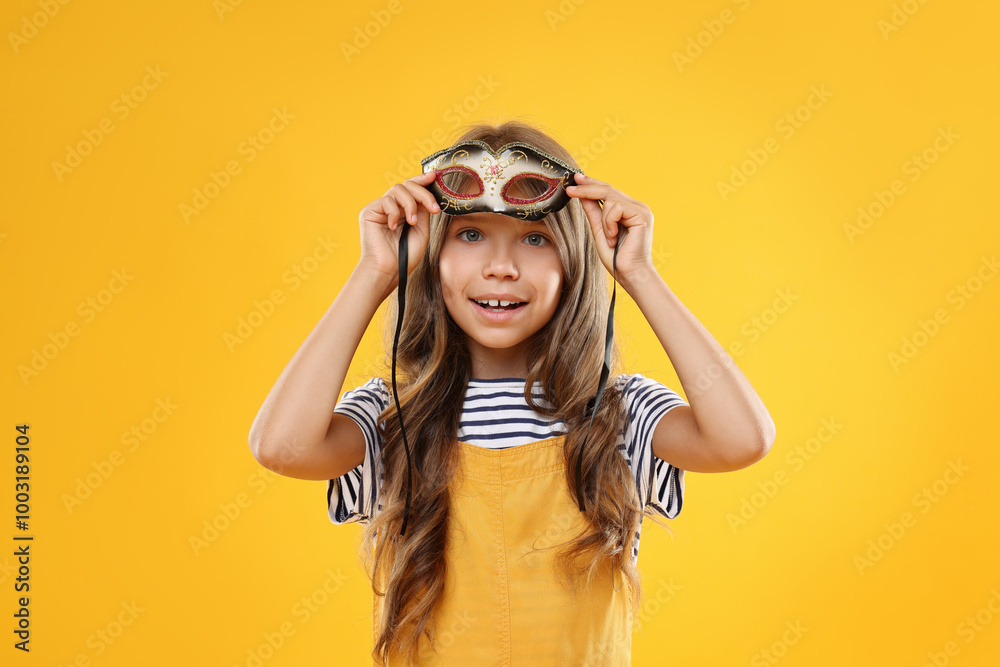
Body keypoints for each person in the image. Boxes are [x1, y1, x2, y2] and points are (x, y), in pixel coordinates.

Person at [248, 119, 776, 666]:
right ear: (432, 255)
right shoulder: (392, 417)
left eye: (535, 238)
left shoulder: (616, 413)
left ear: (575, 259)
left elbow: (742, 439)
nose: (501, 268)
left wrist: (638, 272)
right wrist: (375, 272)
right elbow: (280, 448)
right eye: (471, 235)